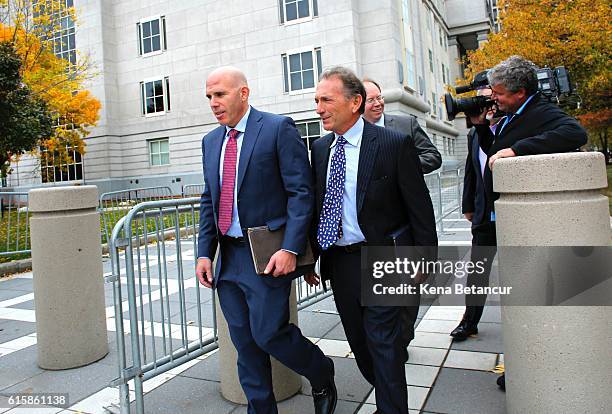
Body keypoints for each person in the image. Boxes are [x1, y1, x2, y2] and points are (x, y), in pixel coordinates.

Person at [196, 66, 336, 414]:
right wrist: (203, 254)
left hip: (267, 254)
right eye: (209, 97)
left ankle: (321, 372)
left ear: (243, 93)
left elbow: (301, 193)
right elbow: (208, 199)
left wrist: (290, 248)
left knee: (269, 334)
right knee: (244, 343)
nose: (213, 103)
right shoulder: (211, 141)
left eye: (220, 94)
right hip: (227, 260)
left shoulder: (276, 128)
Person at [306, 66, 438, 414]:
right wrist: (309, 258)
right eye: (317, 100)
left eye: (326, 100)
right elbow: (317, 207)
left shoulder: (393, 144)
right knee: (362, 347)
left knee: (385, 345)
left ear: (355, 103)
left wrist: (425, 256)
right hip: (342, 262)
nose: (319, 108)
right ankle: (388, 395)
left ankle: (392, 408)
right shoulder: (320, 150)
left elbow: (419, 207)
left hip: (384, 258)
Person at [451, 55, 588, 389]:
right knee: (482, 274)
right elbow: (489, 154)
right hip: (493, 214)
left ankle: (527, 368)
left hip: (525, 223)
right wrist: (483, 126)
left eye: (498, 92)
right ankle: (476, 325)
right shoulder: (508, 114)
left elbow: (575, 132)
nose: (493, 98)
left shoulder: (540, 111)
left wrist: (519, 150)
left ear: (521, 92)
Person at [361, 78, 442, 174]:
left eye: (379, 98)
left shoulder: (407, 124)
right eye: (370, 100)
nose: (378, 104)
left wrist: (403, 165)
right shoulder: (354, 132)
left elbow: (433, 157)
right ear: (359, 104)